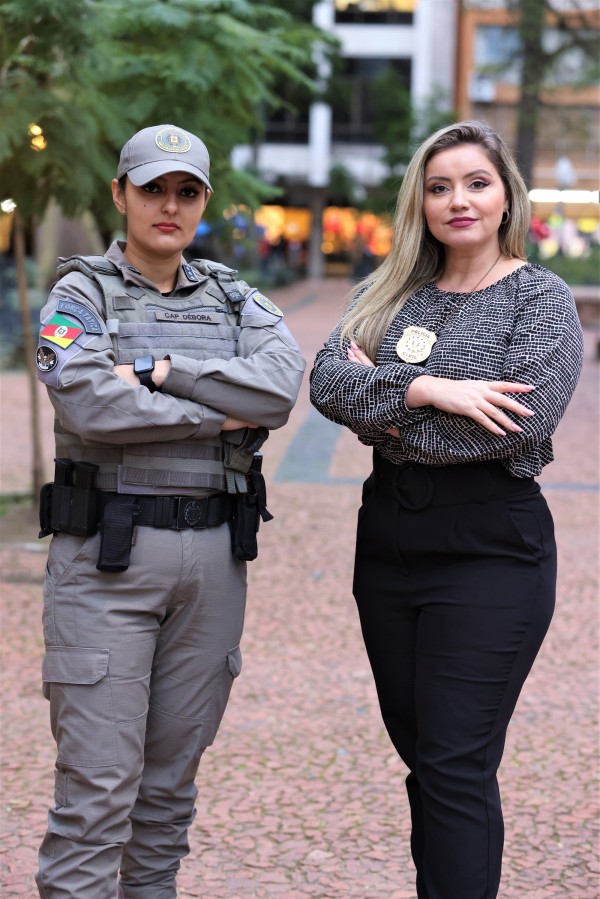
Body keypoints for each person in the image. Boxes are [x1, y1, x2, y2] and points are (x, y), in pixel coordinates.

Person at [309, 120, 583, 899]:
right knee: (423, 752)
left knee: (456, 760)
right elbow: (326, 381)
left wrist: (382, 409)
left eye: (475, 182)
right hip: (389, 541)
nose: (457, 199)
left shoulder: (541, 300)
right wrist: (429, 390)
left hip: (490, 546)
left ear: (505, 198)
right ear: (419, 203)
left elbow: (512, 426)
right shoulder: (390, 292)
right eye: (439, 186)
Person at [34, 123, 305, 898]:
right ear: (120, 193)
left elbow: (279, 388)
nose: (169, 205)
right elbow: (90, 402)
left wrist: (162, 370)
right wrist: (212, 413)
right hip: (105, 563)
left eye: (186, 192)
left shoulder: (232, 294)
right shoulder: (79, 293)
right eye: (152, 188)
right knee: (96, 797)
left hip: (214, 566)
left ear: (204, 204)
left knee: (167, 796)